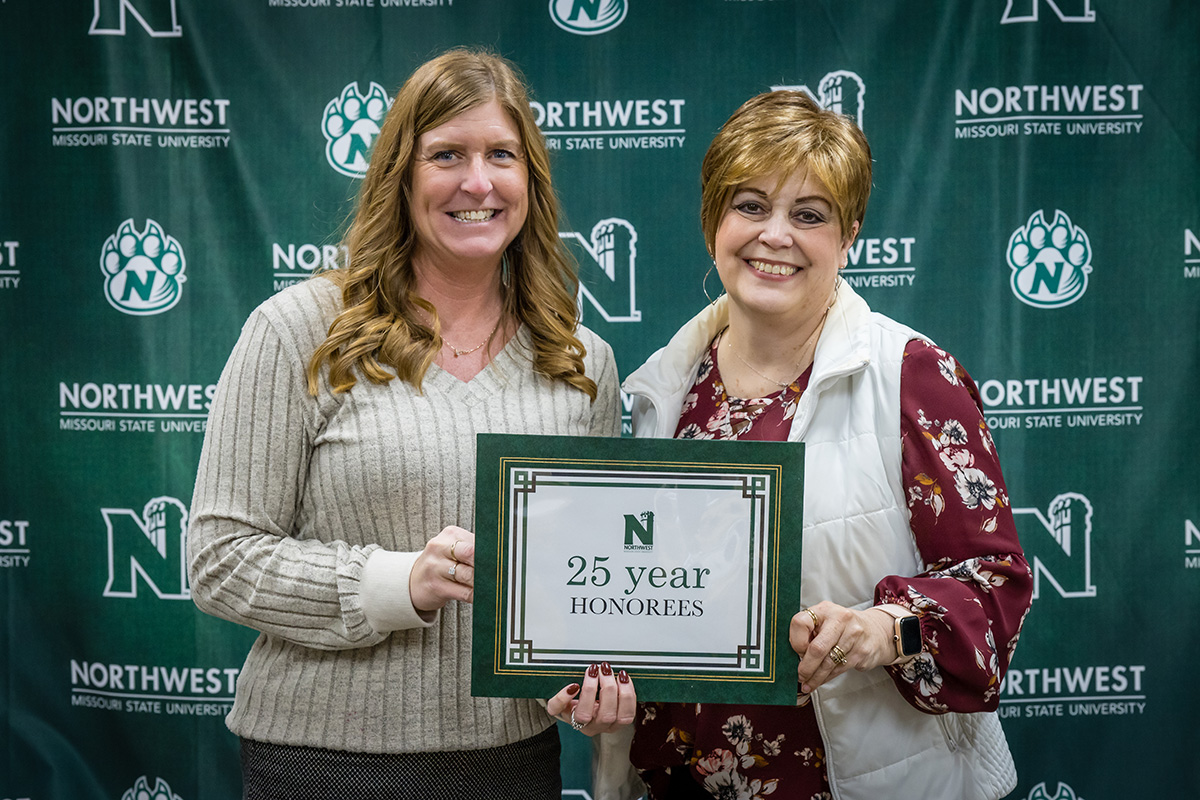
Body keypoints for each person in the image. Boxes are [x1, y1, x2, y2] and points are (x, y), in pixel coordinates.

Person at [188, 48, 635, 800]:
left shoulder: (579, 360)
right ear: (401, 175)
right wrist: (396, 582)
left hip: (509, 763)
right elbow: (220, 558)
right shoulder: (300, 329)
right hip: (319, 762)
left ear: (531, 180)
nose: (478, 182)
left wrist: (575, 681)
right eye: (446, 155)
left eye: (502, 154)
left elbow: (576, 591)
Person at [615, 91, 1033, 799]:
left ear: (850, 235)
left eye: (808, 215)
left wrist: (887, 629)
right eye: (750, 205)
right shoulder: (664, 387)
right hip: (676, 779)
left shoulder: (910, 373)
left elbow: (996, 593)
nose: (774, 235)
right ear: (713, 218)